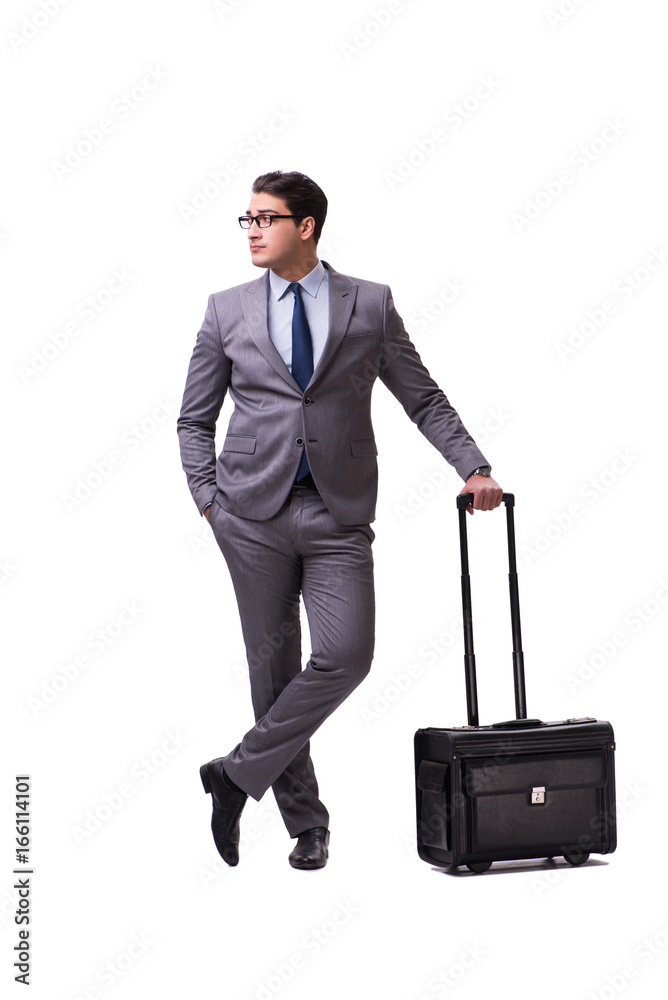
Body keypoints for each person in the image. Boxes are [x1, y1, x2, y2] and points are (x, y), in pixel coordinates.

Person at [177, 170, 503, 870]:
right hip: (250, 516)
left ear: (308, 227)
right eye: (248, 219)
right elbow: (193, 418)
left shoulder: (370, 304)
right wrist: (210, 502)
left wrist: (472, 466)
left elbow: (424, 397)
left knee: (346, 655)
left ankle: (233, 775)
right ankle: (306, 825)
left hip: (338, 513)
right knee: (273, 674)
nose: (253, 230)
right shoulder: (225, 309)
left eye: (267, 218)